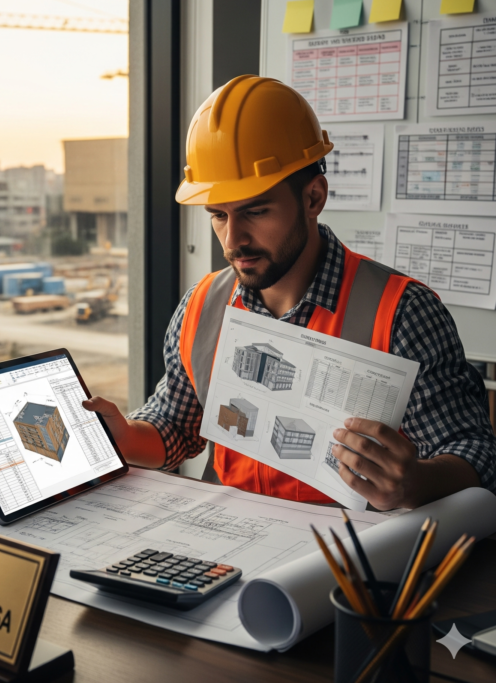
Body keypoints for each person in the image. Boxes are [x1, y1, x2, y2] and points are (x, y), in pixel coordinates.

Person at [83, 75, 496, 510]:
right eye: (218, 216)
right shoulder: (202, 306)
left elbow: (478, 455)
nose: (232, 240)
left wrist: (416, 482)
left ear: (313, 198)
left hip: (349, 562)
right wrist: (125, 436)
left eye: (255, 211)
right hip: (228, 550)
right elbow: (175, 426)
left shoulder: (402, 312)